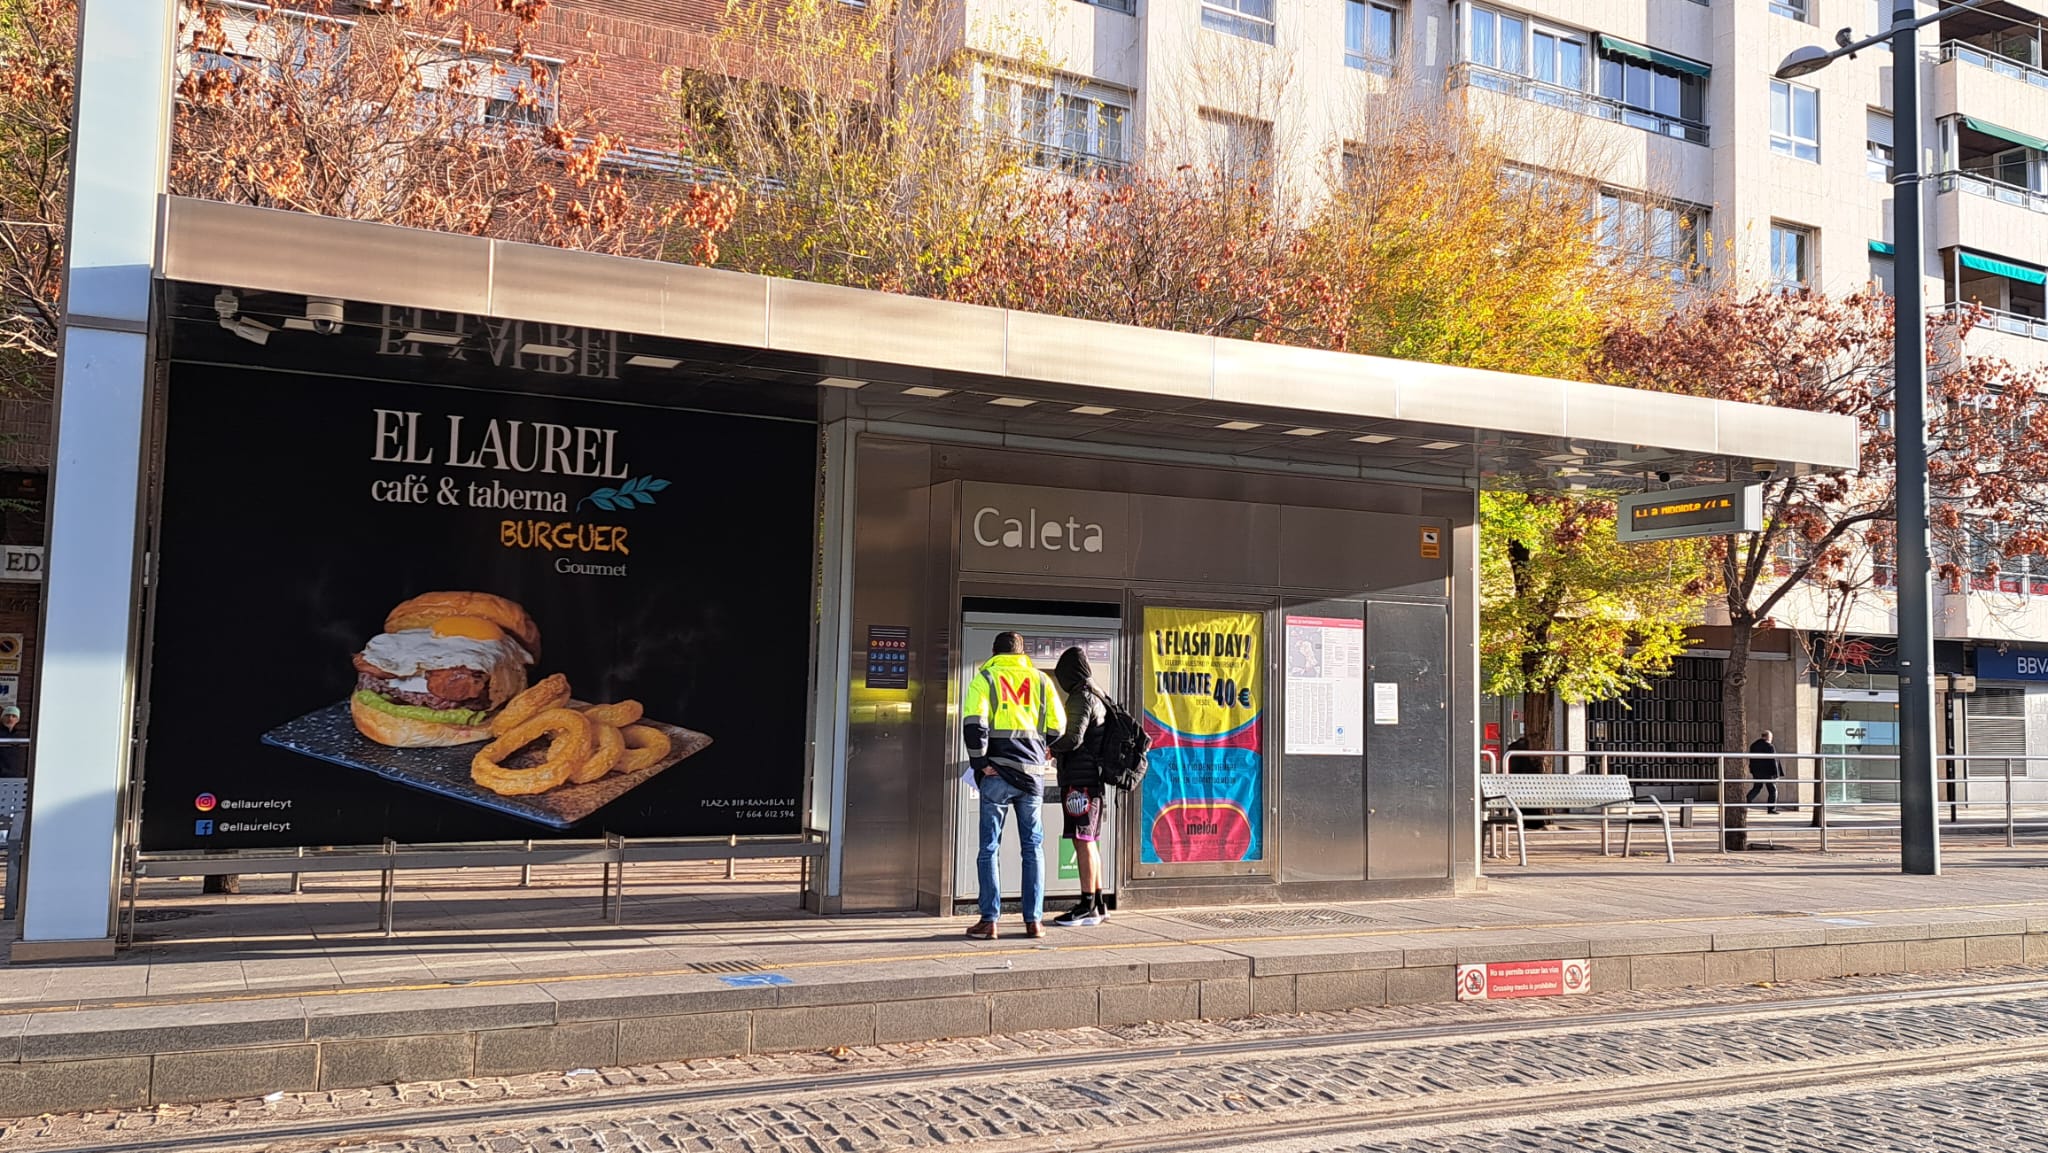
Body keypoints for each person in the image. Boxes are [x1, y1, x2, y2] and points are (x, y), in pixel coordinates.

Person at [961, 632, 1066, 941]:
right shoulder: (1042, 682)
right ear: (1022, 653)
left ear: (995, 651)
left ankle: (989, 920)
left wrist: (980, 763)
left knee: (988, 847)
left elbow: (973, 724)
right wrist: (1042, 748)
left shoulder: (986, 678)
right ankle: (1034, 922)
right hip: (1032, 776)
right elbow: (1058, 727)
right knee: (1033, 848)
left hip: (996, 774)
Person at [1049, 646, 1110, 928]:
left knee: (1082, 841)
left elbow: (1073, 738)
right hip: (1092, 781)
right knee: (1090, 840)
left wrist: (1049, 745)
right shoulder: (1097, 693)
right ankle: (1097, 903)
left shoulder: (1080, 697)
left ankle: (1086, 905)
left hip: (1080, 783)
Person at [1746, 729, 1781, 814]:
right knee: (1773, 790)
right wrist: (1777, 774)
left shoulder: (1753, 745)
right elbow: (1774, 761)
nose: (1771, 739)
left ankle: (1747, 800)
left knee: (1757, 787)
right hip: (1768, 772)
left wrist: (1752, 770)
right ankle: (1771, 809)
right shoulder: (1770, 746)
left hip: (1757, 771)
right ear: (1766, 737)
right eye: (1770, 737)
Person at [0, 705, 26, 778]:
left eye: (14, 716)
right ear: (2, 718)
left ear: (17, 720)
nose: (10, 718)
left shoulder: (21, 737)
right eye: (7, 715)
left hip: (16, 776)